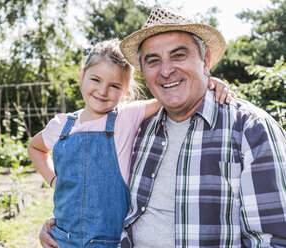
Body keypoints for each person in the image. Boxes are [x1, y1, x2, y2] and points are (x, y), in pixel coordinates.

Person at [39, 5, 286, 248]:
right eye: (153, 60)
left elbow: (274, 241)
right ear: (144, 72)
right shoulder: (138, 129)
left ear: (205, 60)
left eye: (179, 55)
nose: (166, 70)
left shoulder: (250, 129)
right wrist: (64, 227)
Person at [29, 38, 232, 248]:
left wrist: (208, 82)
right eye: (95, 80)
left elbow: (172, 94)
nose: (102, 91)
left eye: (114, 85)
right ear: (81, 76)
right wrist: (54, 181)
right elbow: (35, 148)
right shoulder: (61, 125)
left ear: (125, 91)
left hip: (112, 242)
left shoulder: (126, 117)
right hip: (62, 239)